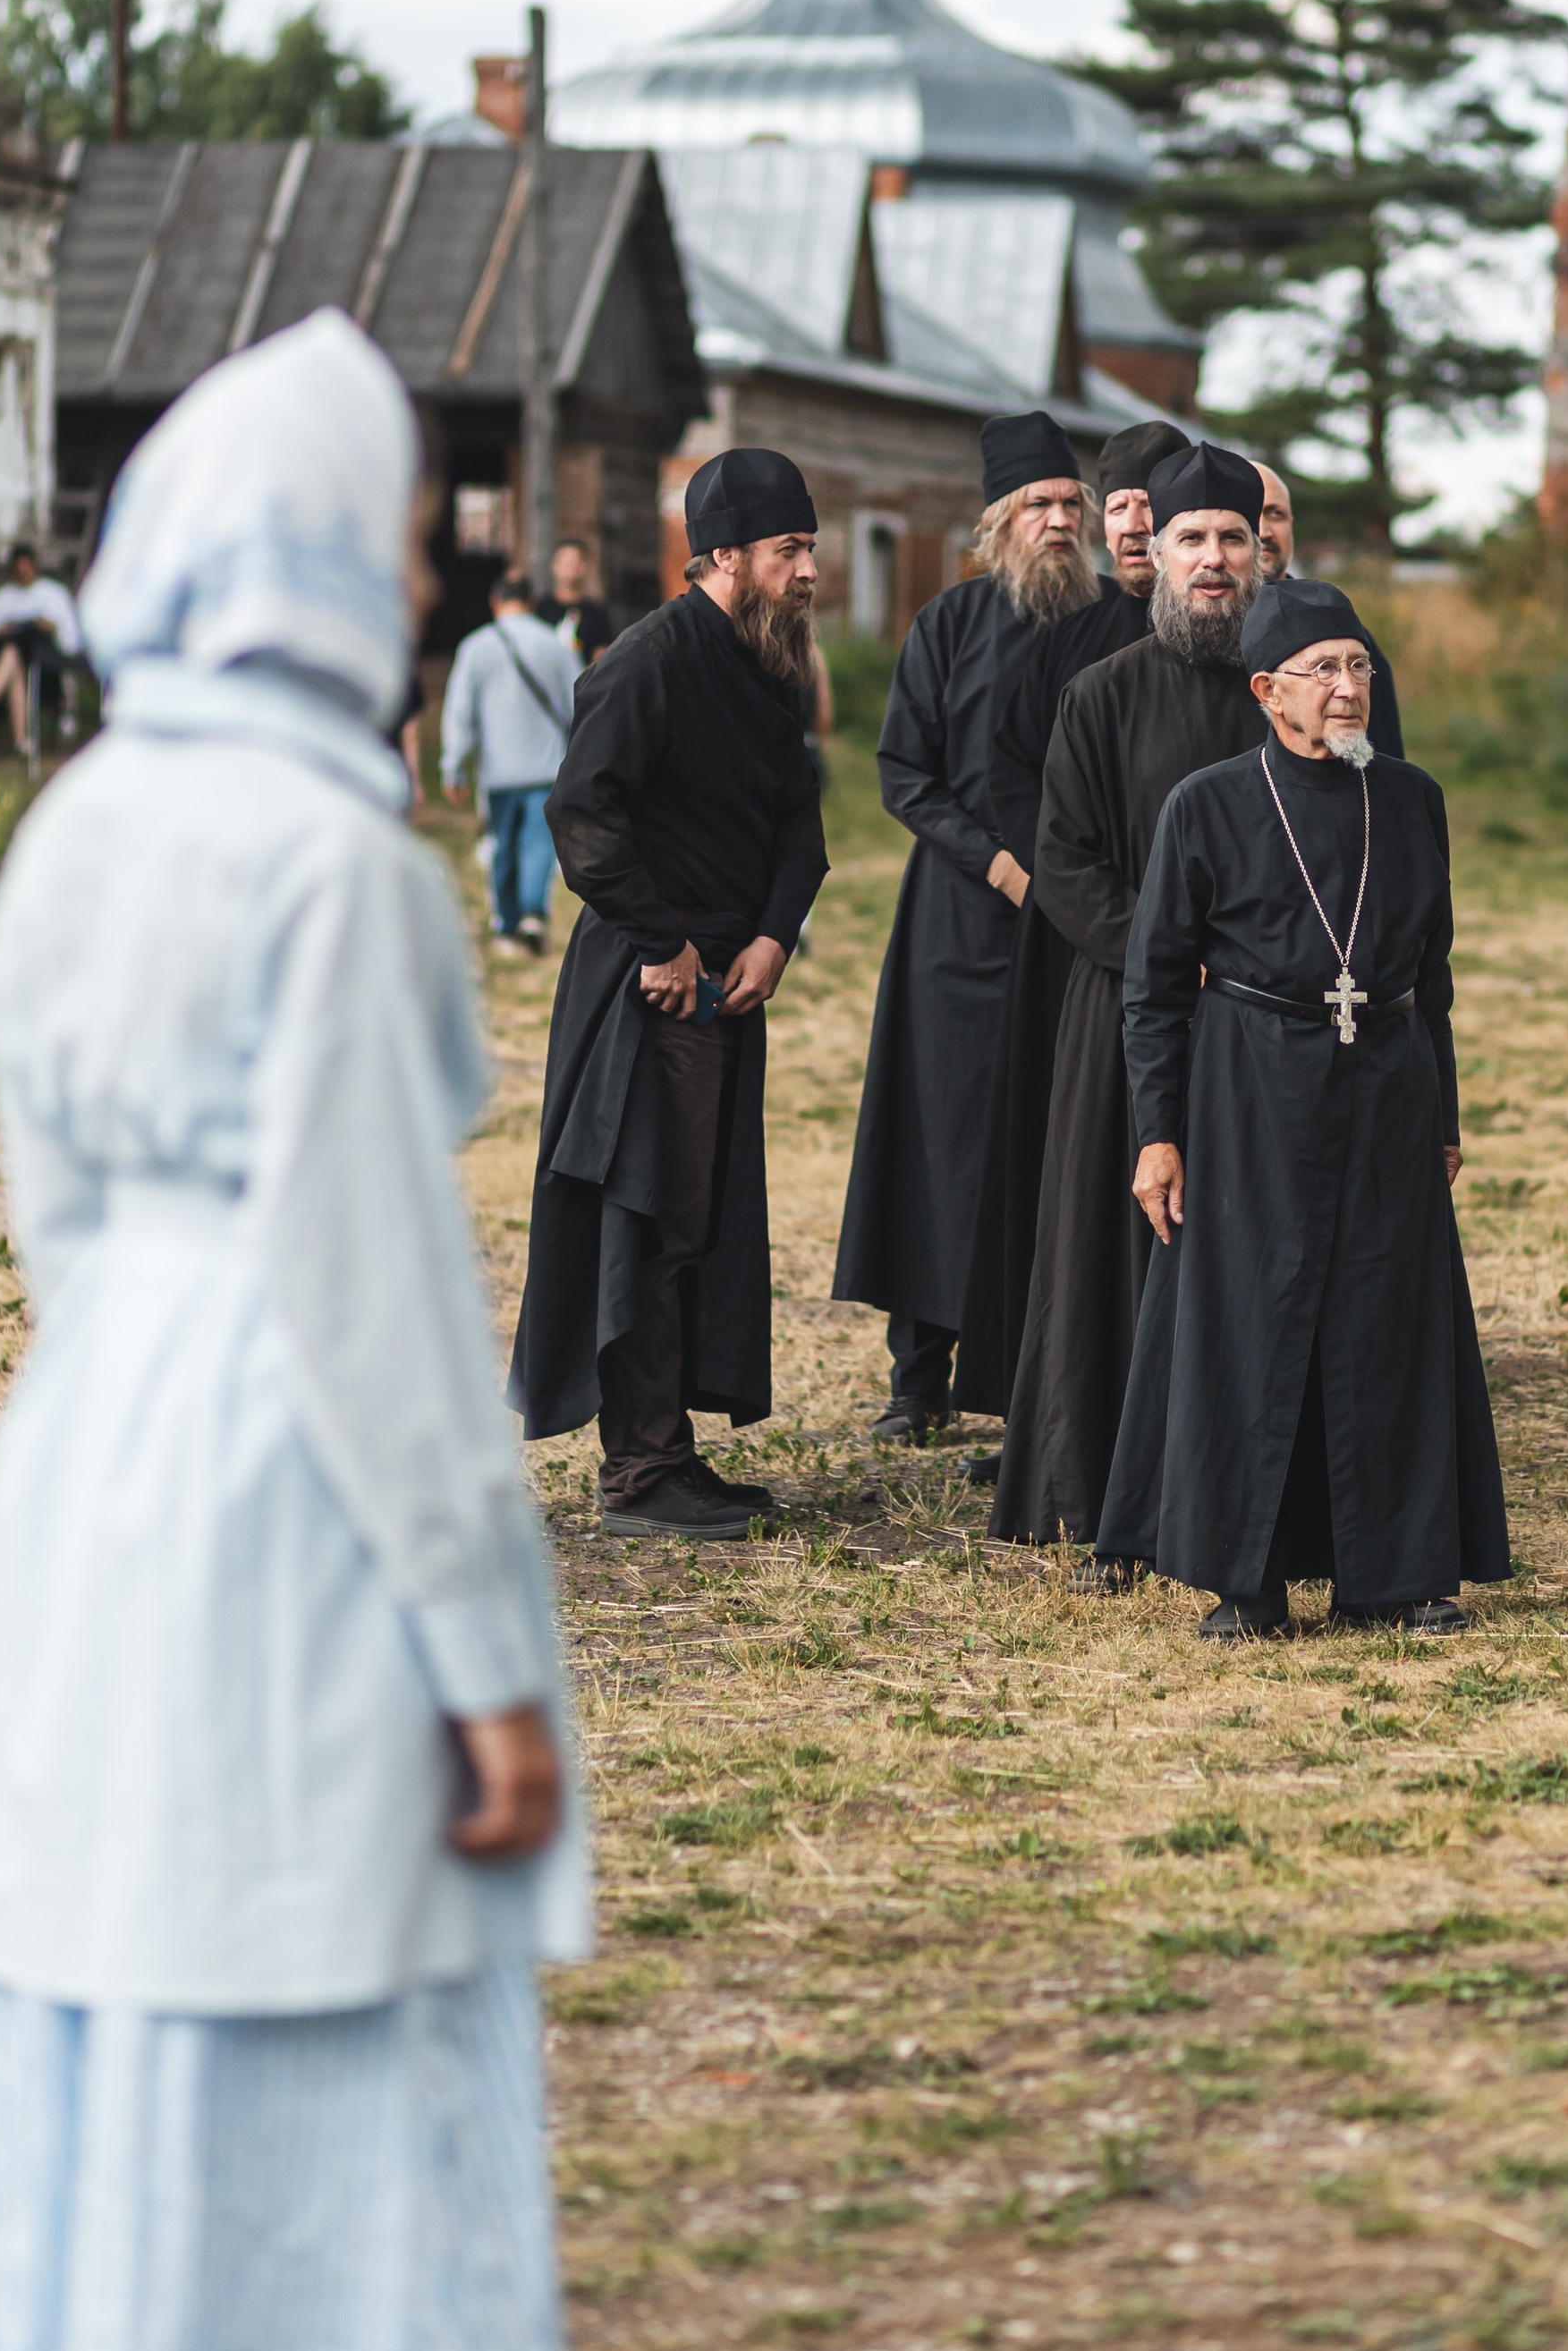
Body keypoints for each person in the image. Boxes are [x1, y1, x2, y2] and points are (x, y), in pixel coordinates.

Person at [0, 310, 588, 2351]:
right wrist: (485, 1666)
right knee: (310, 1965)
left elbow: (55, 1217)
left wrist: (127, 1366)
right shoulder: (333, 871)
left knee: (114, 1935)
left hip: (91, 1432)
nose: (413, 582)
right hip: (278, 1475)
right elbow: (369, 1300)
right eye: (391, 539)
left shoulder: (76, 828)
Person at [1096, 577, 1510, 1642]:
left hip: (1387, 1081)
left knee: (1388, 1317)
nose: (1346, 687)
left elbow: (1436, 972)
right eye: (1322, 670)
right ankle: (1248, 1577)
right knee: (1254, 1317)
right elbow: (1151, 990)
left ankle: (1399, 1575)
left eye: (1360, 666)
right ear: (1268, 692)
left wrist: (1446, 1112)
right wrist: (1156, 1132)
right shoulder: (1210, 804)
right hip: (1248, 1086)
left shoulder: (1410, 800)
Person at [509, 448, 826, 1543]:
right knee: (649, 1212)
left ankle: (668, 1450)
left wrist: (774, 938)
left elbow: (798, 820)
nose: (808, 573)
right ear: (723, 557)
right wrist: (665, 944)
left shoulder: (772, 663)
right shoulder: (646, 660)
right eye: (791, 552)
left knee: (698, 1215)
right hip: (649, 988)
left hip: (729, 980)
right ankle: (638, 1472)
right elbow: (582, 814)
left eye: (811, 551)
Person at [987, 443, 1272, 1552]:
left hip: (1263, 1024)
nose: (1209, 561)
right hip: (1121, 1019)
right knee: (1109, 1255)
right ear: (1152, 553)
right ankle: (1102, 1491)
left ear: (1258, 560)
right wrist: (1166, 963)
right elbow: (1062, 865)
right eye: (1190, 539)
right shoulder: (1099, 696)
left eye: (1230, 542)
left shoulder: (1291, 689)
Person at [832, 412, 1101, 1444]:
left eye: (1069, 504)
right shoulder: (945, 626)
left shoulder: (1110, 626)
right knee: (939, 1136)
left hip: (1076, 922)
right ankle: (920, 1374)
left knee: (1053, 1138)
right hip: (957, 912)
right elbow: (905, 771)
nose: (1058, 521)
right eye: (1038, 505)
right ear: (996, 526)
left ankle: (1042, 1371)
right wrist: (995, 863)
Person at [952, 419, 1187, 1447]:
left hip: (1213, 954)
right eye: (1119, 507)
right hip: (1085, 942)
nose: (1131, 526)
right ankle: (1051, 1398)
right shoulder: (1075, 633)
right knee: (1075, 1171)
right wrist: (1097, 914)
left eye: (1149, 508)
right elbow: (1020, 779)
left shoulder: (1230, 636)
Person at [441, 572, 582, 955]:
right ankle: (533, 913)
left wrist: (453, 766)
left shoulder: (476, 647)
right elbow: (579, 702)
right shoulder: (555, 646)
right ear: (532, 602)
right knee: (538, 844)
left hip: (499, 770)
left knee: (502, 844)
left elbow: (460, 712)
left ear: (495, 600)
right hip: (547, 766)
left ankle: (506, 924)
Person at [1252, 465, 1405, 757]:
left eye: (1276, 513)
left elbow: (1386, 770)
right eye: (1250, 514)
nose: (1264, 531)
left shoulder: (1351, 642)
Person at [0, 542, 84, 754]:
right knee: (13, 657)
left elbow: (70, 642)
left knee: (17, 651)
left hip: (47, 670)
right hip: (7, 667)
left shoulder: (55, 595)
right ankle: (21, 742)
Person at [535, 536, 614, 665]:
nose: (570, 568)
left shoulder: (597, 614)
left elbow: (602, 656)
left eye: (575, 562)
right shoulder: (539, 609)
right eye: (565, 562)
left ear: (585, 566)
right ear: (554, 565)